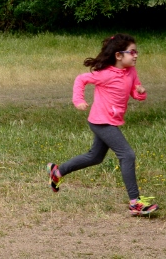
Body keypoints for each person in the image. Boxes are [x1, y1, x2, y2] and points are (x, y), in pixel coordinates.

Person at [47, 34, 158, 216]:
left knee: (95, 157)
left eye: (136, 52)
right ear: (118, 55)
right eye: (132, 52)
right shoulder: (105, 74)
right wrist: (78, 101)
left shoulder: (131, 72)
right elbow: (80, 79)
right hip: (101, 121)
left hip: (110, 120)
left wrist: (140, 92)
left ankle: (57, 172)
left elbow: (135, 92)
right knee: (127, 155)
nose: (136, 55)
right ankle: (135, 203)